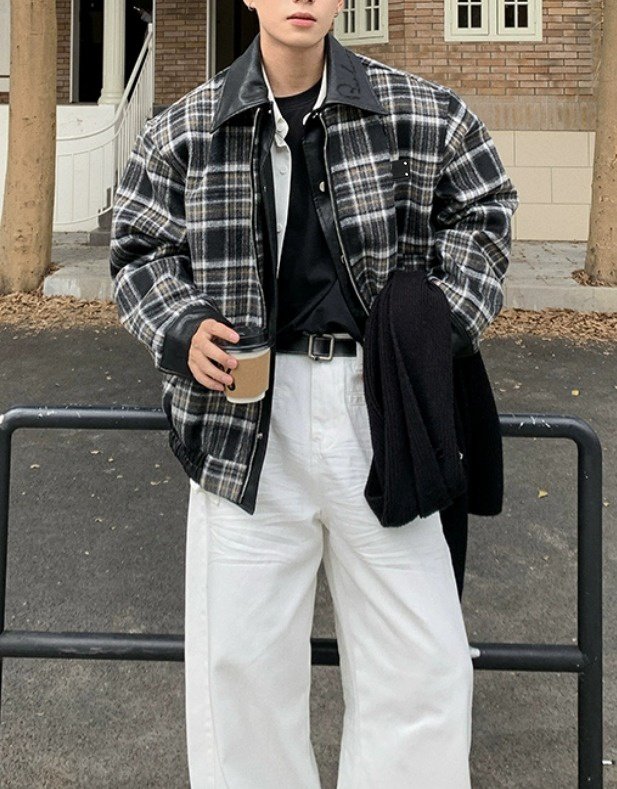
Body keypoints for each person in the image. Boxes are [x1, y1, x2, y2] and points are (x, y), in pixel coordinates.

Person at [109, 1, 519, 786]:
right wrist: (181, 326)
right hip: (241, 417)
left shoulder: (419, 111)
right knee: (240, 675)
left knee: (421, 665)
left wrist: (435, 325)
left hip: (382, 410)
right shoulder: (184, 128)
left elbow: (485, 210)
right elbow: (138, 250)